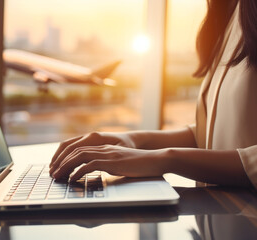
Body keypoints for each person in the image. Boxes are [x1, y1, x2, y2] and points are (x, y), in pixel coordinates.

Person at [49, 0, 257, 189]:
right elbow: (218, 135)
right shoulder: (230, 10)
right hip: (221, 216)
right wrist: (135, 140)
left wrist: (165, 159)